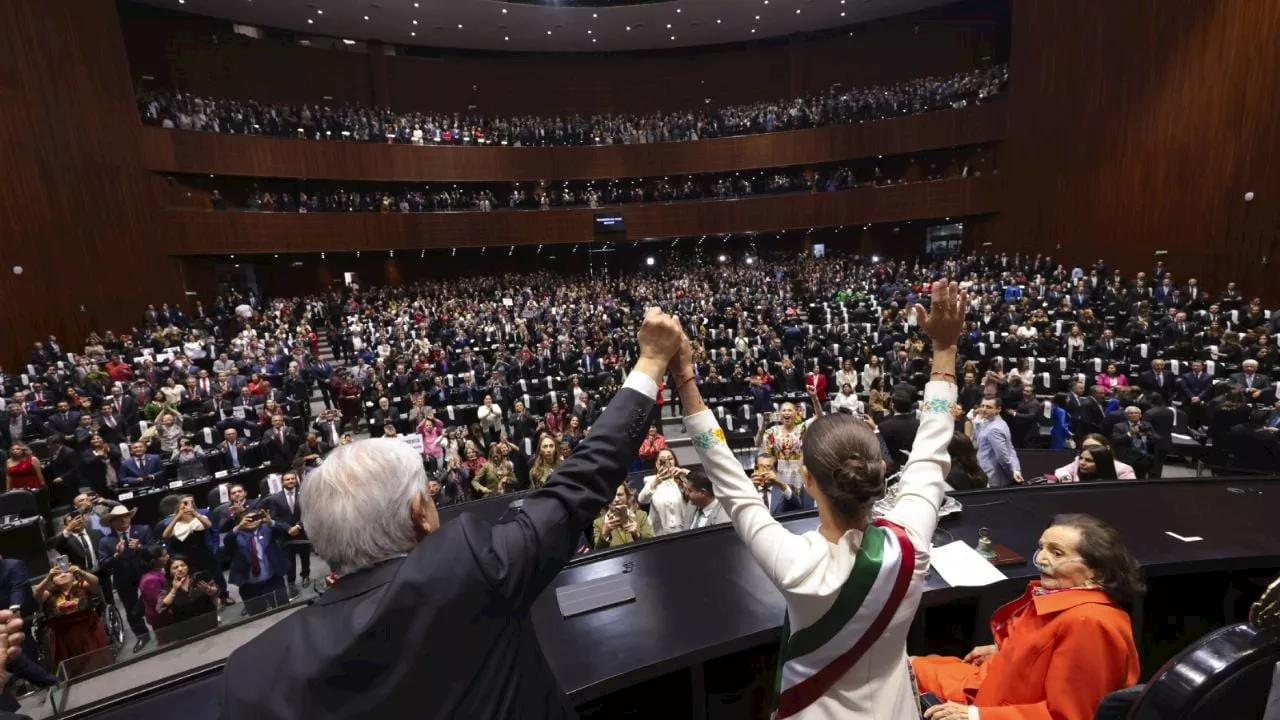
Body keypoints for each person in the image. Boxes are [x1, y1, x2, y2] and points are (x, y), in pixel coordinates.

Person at [219, 307, 682, 719]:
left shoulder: (250, 673)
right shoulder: (467, 569)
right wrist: (652, 362)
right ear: (420, 514)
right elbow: (580, 482)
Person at [676, 281, 967, 719]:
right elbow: (933, 446)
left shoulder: (794, 563)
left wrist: (684, 379)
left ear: (807, 479)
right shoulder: (912, 544)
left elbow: (730, 480)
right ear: (880, 470)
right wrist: (945, 350)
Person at [913, 514, 1142, 720]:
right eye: (1042, 547)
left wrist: (975, 715)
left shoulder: (1091, 624)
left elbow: (1071, 715)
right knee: (907, 664)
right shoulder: (1065, 601)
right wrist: (1007, 649)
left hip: (997, 709)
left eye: (1056, 553)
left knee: (901, 673)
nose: (1041, 558)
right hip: (992, 683)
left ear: (1096, 572)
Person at [33, 564, 111, 678]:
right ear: (53, 580)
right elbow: (36, 594)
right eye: (58, 575)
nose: (62, 575)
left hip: (89, 631)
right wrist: (48, 577)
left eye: (66, 572)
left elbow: (95, 582)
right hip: (63, 637)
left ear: (73, 576)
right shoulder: (49, 594)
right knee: (73, 671)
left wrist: (80, 572)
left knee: (97, 664)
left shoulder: (82, 586)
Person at [96, 505, 156, 651]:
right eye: (118, 518)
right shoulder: (105, 541)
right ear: (111, 522)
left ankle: (163, 628)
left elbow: (155, 550)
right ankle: (142, 636)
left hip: (145, 574)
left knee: (154, 601)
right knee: (131, 609)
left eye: (126, 516)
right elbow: (103, 564)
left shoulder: (143, 530)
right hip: (123, 578)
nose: (123, 520)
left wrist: (140, 547)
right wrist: (116, 555)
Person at [261, 471, 310, 594]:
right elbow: (275, 517)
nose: (290, 481)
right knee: (289, 559)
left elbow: (308, 512)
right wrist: (288, 528)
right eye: (287, 479)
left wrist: (298, 526)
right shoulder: (275, 498)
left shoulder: (304, 494)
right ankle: (291, 581)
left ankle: (305, 575)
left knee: (305, 556)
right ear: (283, 482)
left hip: (302, 530)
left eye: (293, 479)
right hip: (285, 534)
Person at [636, 448, 690, 536]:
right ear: (657, 463)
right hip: (659, 533)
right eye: (662, 460)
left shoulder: (682, 477)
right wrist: (656, 482)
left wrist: (685, 475)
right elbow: (642, 500)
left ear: (675, 461)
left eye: (670, 459)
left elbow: (694, 497)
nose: (667, 462)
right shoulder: (651, 480)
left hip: (683, 531)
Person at [157, 554, 219, 628]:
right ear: (169, 572)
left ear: (188, 566)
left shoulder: (201, 577)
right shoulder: (168, 587)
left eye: (183, 565)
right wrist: (174, 589)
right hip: (186, 628)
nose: (180, 569)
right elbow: (160, 608)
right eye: (175, 568)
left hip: (209, 622)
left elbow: (216, 591)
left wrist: (209, 589)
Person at [975, 397, 1023, 487]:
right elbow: (1010, 449)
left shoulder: (994, 429)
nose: (984, 409)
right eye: (982, 406)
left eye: (989, 407)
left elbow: (1003, 457)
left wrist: (1012, 473)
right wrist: (1016, 469)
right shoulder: (998, 422)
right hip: (988, 474)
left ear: (998, 409)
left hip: (991, 477)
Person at [592, 483, 654, 548]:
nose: (616, 499)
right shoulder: (598, 523)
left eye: (620, 495)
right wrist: (605, 534)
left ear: (627, 496)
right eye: (612, 495)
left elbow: (651, 545)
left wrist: (637, 534)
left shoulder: (641, 515)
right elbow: (598, 552)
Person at [1053, 435, 1137, 482]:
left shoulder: (1123, 469)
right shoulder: (1079, 460)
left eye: (1095, 447)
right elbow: (1061, 471)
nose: (1082, 462)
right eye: (1085, 447)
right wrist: (1066, 480)